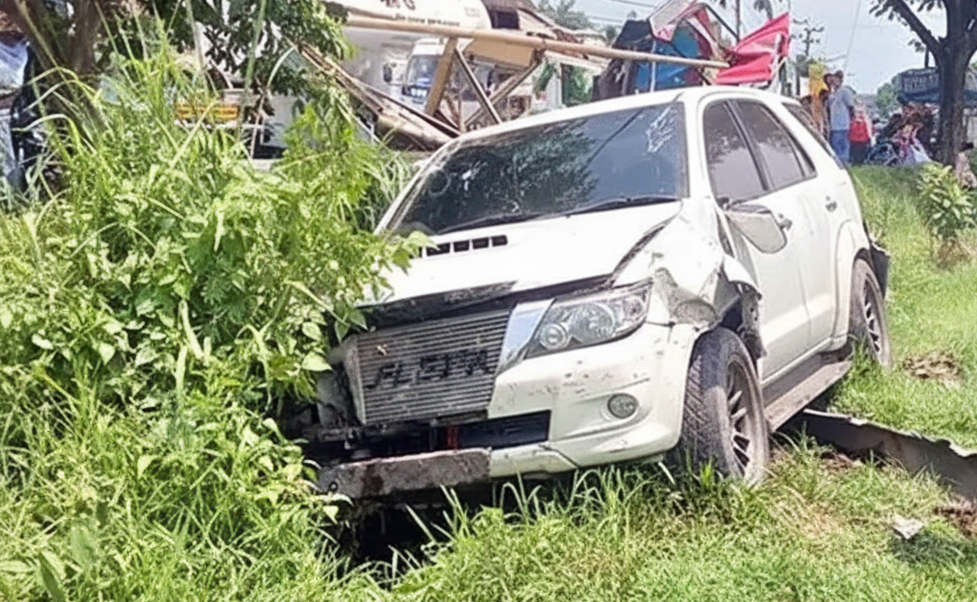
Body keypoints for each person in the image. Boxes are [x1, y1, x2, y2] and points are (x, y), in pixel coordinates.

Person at [825, 70, 856, 164]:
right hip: (834, 125)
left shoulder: (845, 91)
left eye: (837, 79)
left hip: (842, 125)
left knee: (841, 146)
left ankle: (843, 163)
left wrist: (851, 120)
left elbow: (851, 106)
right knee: (835, 146)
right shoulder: (833, 94)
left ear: (841, 80)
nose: (834, 82)